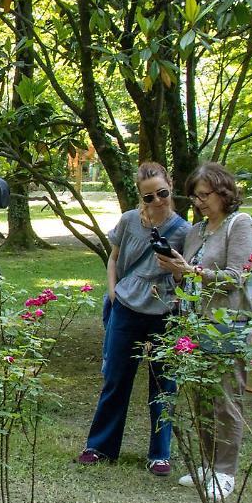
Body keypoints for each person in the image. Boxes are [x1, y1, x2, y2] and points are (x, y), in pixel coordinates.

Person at [77, 162, 191, 476]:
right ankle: (100, 446)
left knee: (163, 384)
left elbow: (187, 279)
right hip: (126, 309)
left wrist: (178, 271)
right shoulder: (129, 221)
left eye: (162, 194)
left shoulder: (183, 230)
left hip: (163, 313)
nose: (157, 201)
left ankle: (160, 454)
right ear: (140, 198)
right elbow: (114, 258)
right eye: (148, 197)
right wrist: (113, 293)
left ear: (170, 186)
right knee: (115, 379)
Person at [156, 162, 252, 500]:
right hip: (195, 322)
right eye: (194, 196)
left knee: (225, 399)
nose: (198, 202)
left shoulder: (238, 225)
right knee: (201, 398)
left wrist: (193, 270)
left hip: (228, 324)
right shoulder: (196, 230)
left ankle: (225, 472)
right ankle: (208, 464)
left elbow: (236, 277)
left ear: (223, 192)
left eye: (204, 195)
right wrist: (176, 270)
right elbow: (186, 277)